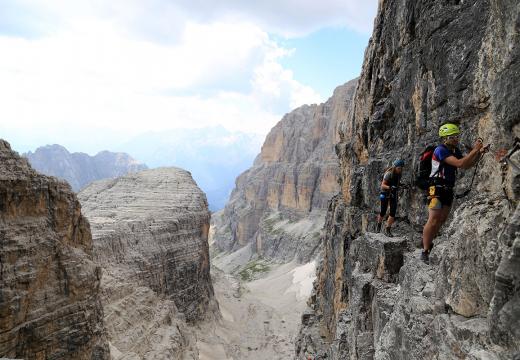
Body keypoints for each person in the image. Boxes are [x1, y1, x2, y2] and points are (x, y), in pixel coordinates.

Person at [421, 123, 489, 263]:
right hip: (436, 188)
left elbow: (467, 165)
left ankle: (430, 242)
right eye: (454, 136)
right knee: (433, 219)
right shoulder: (441, 150)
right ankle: (425, 250)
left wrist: (479, 153)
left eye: (457, 136)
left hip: (447, 189)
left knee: (441, 220)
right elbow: (460, 164)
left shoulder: (454, 150)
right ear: (445, 138)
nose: (457, 139)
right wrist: (475, 149)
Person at [376, 159, 404, 237]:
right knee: (383, 211)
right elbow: (383, 185)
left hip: (393, 194)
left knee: (392, 212)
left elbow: (397, 183)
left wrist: (401, 185)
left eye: (401, 168)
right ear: (395, 167)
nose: (400, 170)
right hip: (385, 193)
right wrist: (390, 187)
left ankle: (388, 229)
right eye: (399, 168)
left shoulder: (399, 174)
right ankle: (378, 225)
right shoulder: (388, 174)